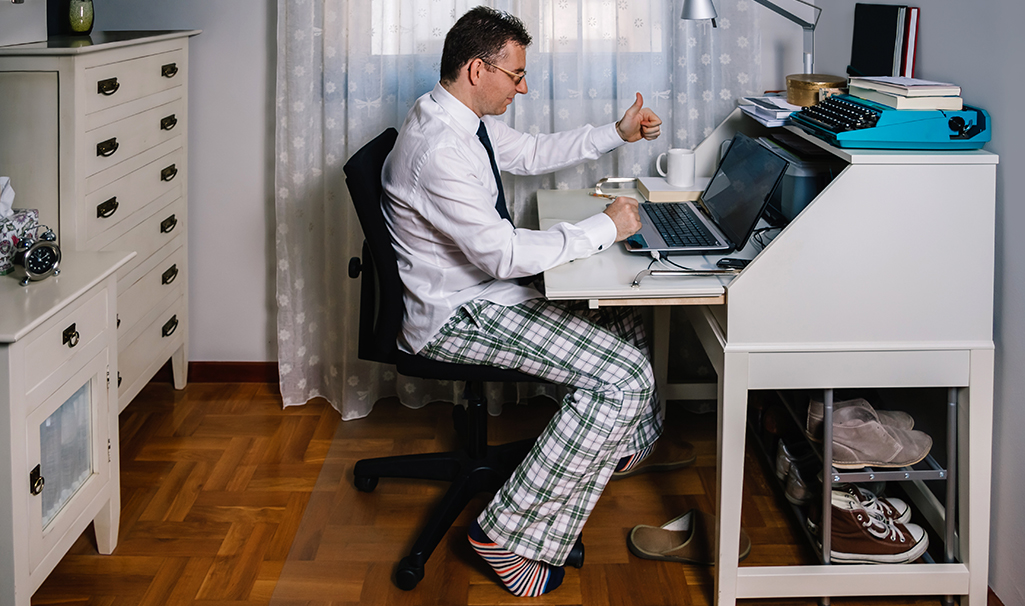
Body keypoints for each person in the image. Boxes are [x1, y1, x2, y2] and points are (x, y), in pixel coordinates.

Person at [382, 6, 665, 598]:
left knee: (622, 308)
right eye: (515, 75)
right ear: (478, 69)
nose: (524, 86)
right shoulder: (438, 148)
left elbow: (530, 153)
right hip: (455, 315)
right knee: (623, 377)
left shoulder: (459, 117)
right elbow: (502, 257)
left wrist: (616, 133)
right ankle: (507, 533)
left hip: (478, 291)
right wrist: (603, 229)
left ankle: (616, 445)